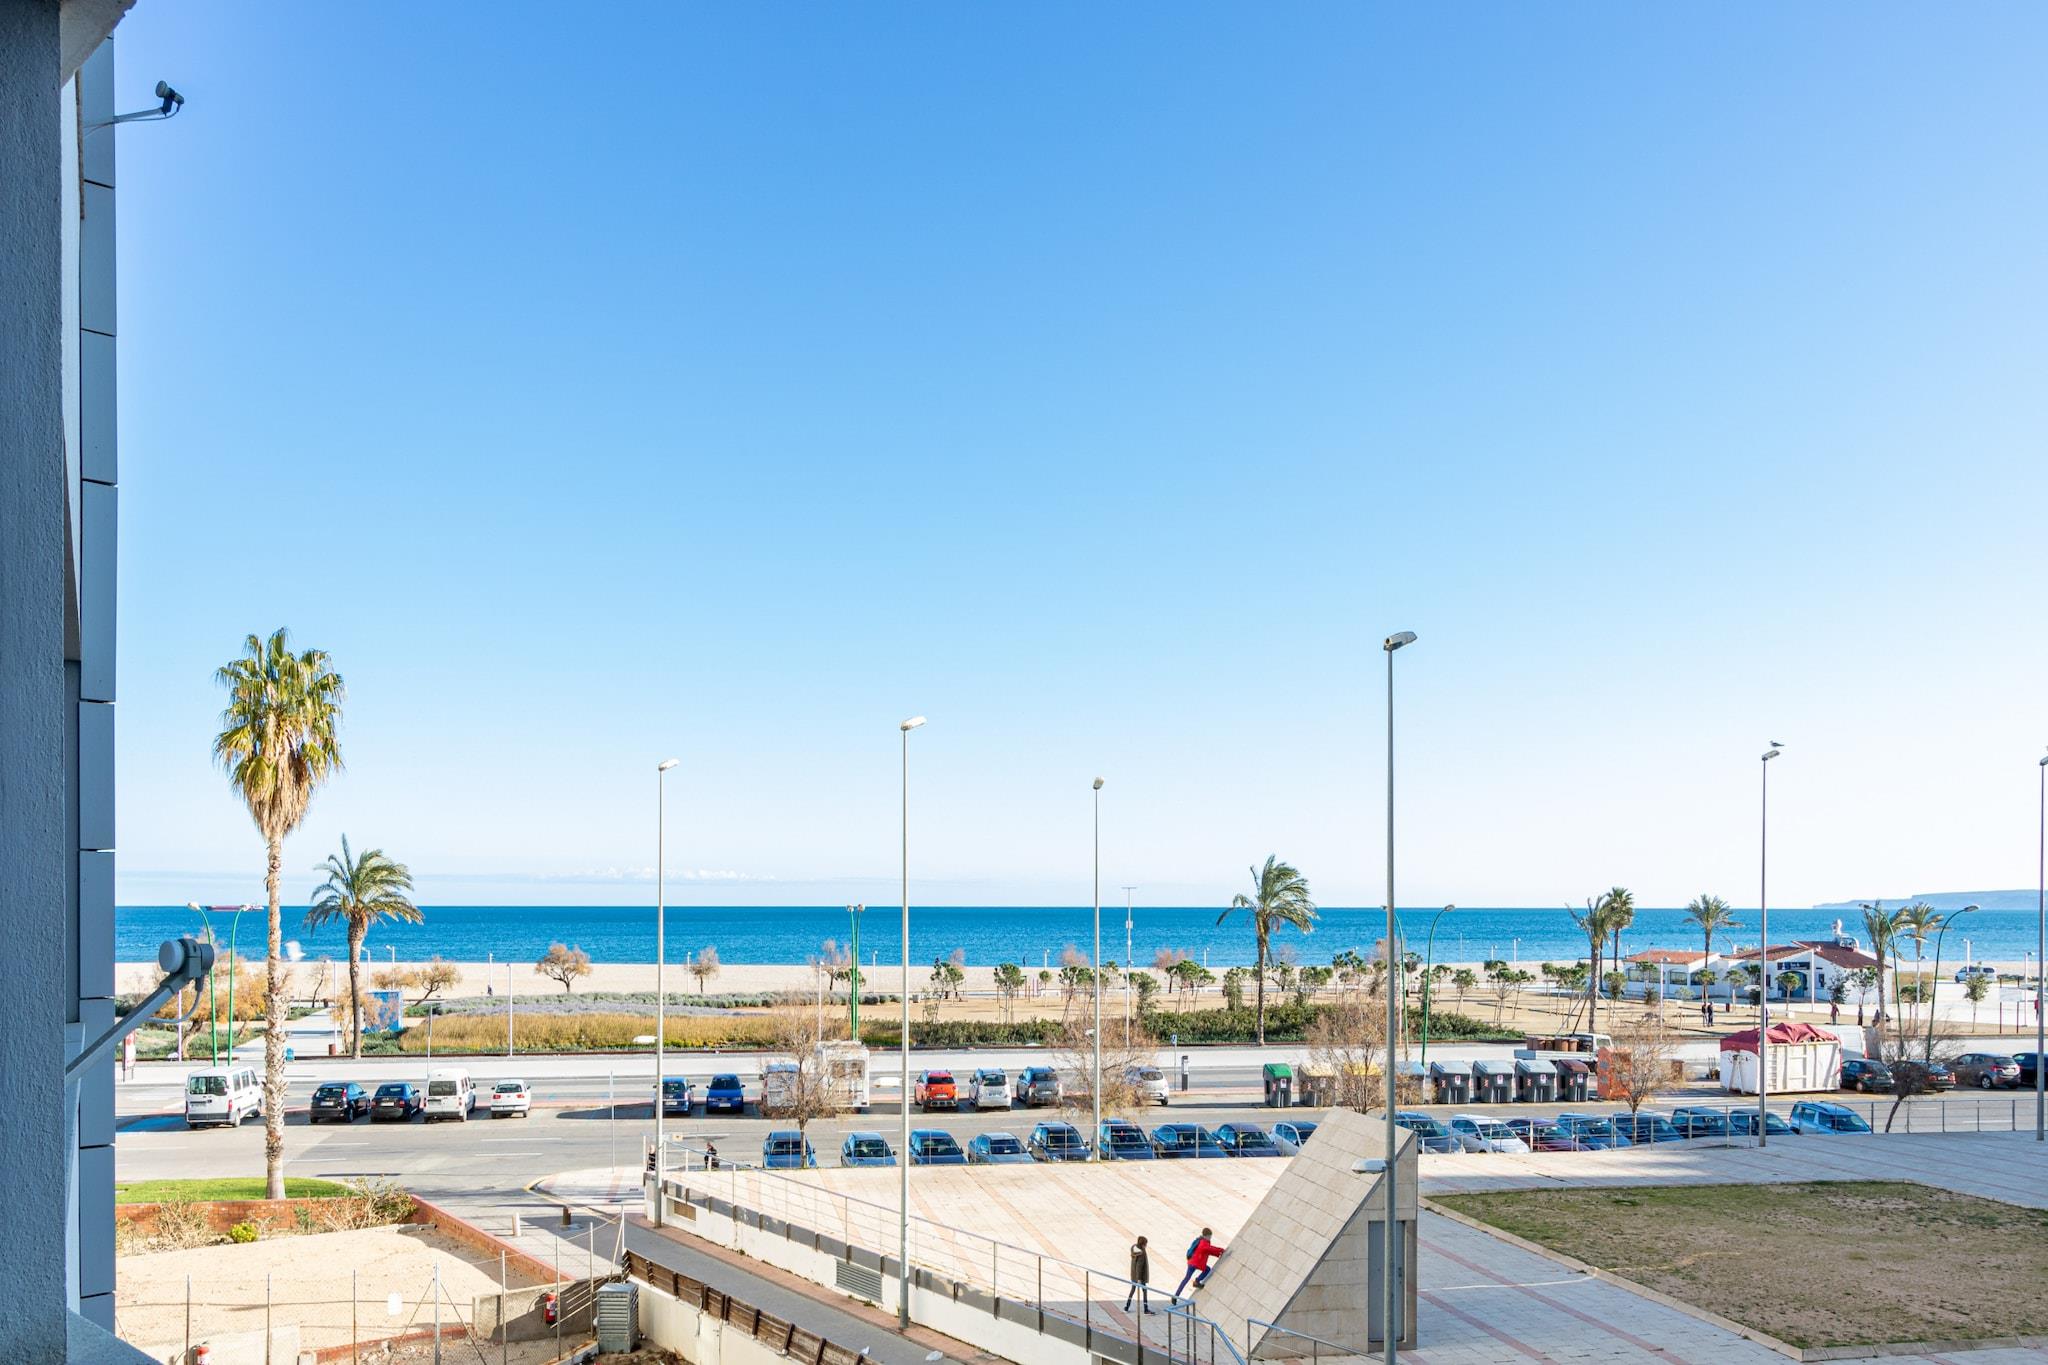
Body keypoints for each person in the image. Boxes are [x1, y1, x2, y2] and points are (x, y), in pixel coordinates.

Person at [1173, 1229, 1225, 1296]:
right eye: (1209, 1236)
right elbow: (1211, 1249)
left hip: (1192, 1262)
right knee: (1207, 1270)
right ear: (1206, 1236)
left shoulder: (1200, 1240)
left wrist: (1218, 1254)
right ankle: (1196, 1281)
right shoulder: (1204, 1243)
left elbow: (1208, 1251)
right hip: (1196, 1263)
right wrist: (1221, 1250)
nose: (1210, 1238)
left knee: (1186, 1278)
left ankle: (1176, 1295)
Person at [1123, 1235, 1153, 1313]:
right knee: (1144, 1290)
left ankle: (1127, 1306)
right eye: (1146, 1244)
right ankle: (1146, 1309)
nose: (1146, 1245)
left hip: (1133, 1275)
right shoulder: (1141, 1253)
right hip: (1140, 1276)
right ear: (1143, 1244)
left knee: (1133, 1289)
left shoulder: (1134, 1248)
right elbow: (1139, 1267)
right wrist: (1139, 1279)